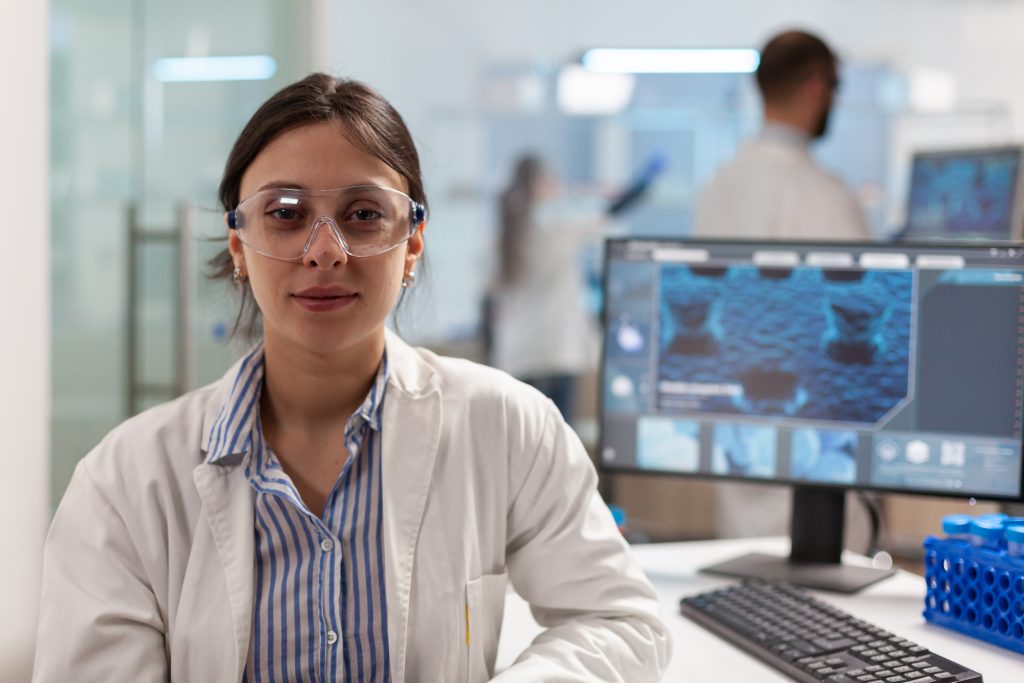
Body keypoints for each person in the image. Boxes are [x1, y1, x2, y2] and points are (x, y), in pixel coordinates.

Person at [33, 74, 670, 682]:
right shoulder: (124, 481)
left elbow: (618, 620)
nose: (325, 250)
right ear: (238, 247)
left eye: (364, 214)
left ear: (412, 243)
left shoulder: (507, 427)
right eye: (285, 213)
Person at [693, 30, 872, 540]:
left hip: (740, 425)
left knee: (747, 585)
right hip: (810, 438)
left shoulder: (720, 184)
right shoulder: (820, 193)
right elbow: (860, 311)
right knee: (827, 605)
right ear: (818, 87)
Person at [489, 153, 662, 423]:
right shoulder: (556, 228)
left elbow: (489, 305)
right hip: (557, 352)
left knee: (519, 449)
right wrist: (645, 181)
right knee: (559, 448)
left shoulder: (502, 237)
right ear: (539, 185)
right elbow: (610, 212)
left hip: (517, 355)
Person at [694, 30, 871, 242]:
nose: (836, 101)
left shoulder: (717, 185)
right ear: (816, 89)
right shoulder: (827, 198)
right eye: (836, 87)